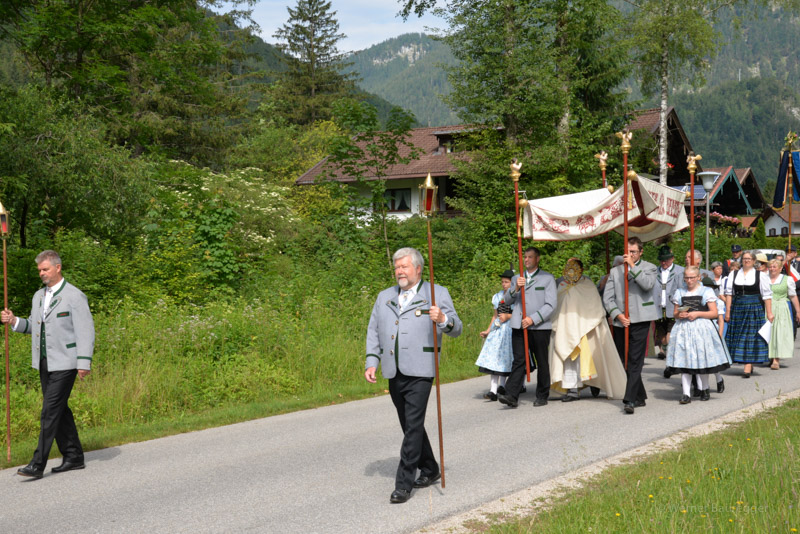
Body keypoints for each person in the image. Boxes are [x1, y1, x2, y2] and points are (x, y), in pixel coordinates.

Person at [364, 247, 462, 504]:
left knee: (413, 424)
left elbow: (456, 328)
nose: (399, 271)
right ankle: (430, 468)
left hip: (422, 369)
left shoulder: (437, 293)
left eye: (404, 267)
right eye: (397, 267)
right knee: (410, 425)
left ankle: (404, 483)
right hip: (393, 370)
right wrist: (371, 360)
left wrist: (442, 319)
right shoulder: (384, 296)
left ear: (418, 269)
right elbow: (373, 330)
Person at [1, 250, 95, 479]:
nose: (41, 273)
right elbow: (35, 326)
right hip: (45, 362)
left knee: (49, 412)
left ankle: (37, 463)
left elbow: (86, 330)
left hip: (66, 362)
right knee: (60, 410)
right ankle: (74, 457)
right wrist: (14, 321)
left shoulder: (74, 296)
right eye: (40, 270)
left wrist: (84, 362)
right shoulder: (38, 297)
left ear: (58, 267)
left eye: (45, 269)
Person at [549, 259, 627, 401]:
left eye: (575, 267)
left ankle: (594, 383)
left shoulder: (587, 285)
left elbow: (594, 305)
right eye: (569, 267)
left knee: (588, 357)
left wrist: (590, 322)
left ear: (581, 269)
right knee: (568, 358)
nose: (571, 270)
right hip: (565, 328)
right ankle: (572, 388)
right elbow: (557, 306)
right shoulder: (561, 285)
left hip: (584, 328)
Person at [602, 236, 658, 414]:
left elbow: (647, 285)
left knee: (635, 360)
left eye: (634, 252)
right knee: (624, 360)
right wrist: (617, 314)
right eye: (628, 252)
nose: (630, 255)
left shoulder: (649, 267)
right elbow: (607, 298)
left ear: (641, 252)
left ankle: (630, 399)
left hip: (641, 319)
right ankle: (640, 395)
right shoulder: (616, 271)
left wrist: (633, 267)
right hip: (621, 321)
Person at [498, 247, 557, 408]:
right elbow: (507, 301)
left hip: (540, 327)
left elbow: (551, 304)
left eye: (530, 257)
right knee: (519, 360)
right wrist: (516, 288)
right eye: (525, 257)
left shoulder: (547, 278)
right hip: (519, 325)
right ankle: (511, 395)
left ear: (537, 259)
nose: (526, 260)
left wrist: (533, 318)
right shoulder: (518, 278)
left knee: (542, 361)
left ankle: (542, 394)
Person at [666, 266, 731, 403]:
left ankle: (705, 389)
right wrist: (680, 314)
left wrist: (697, 313)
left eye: (692, 277)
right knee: (684, 360)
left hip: (701, 328)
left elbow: (713, 313)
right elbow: (675, 314)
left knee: (702, 359)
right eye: (687, 278)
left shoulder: (706, 291)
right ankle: (686, 394)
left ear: (698, 278)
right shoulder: (680, 292)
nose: (689, 281)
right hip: (684, 329)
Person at [724, 250, 772, 378]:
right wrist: (727, 311)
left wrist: (769, 313)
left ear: (754, 261)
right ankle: (745, 361)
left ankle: (748, 364)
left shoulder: (760, 275)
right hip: (738, 307)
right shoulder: (733, 274)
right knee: (739, 336)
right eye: (744, 258)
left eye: (749, 259)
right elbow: (729, 294)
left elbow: (767, 296)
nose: (746, 261)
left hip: (754, 307)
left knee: (751, 336)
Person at [475, 270, 515, 400]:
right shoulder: (497, 296)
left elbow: (519, 313)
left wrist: (508, 316)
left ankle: (502, 386)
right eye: (502, 282)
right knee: (494, 357)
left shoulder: (516, 296)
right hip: (497, 329)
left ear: (512, 282)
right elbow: (494, 316)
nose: (504, 284)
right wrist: (488, 330)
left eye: (507, 282)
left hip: (509, 329)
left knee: (505, 358)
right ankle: (493, 390)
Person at [766, 259, 800, 370]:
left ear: (781, 268)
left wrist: (798, 311)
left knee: (779, 332)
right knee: (769, 332)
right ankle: (771, 355)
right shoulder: (764, 279)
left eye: (775, 267)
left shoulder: (787, 279)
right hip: (767, 307)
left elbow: (793, 296)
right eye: (770, 266)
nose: (772, 269)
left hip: (781, 307)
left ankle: (776, 359)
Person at [652, 245, 684, 360]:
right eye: (661, 260)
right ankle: (666, 350)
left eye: (666, 260)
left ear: (672, 259)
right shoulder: (654, 271)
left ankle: (671, 356)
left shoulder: (680, 271)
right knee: (662, 336)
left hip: (673, 307)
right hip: (659, 308)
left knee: (670, 334)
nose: (663, 262)